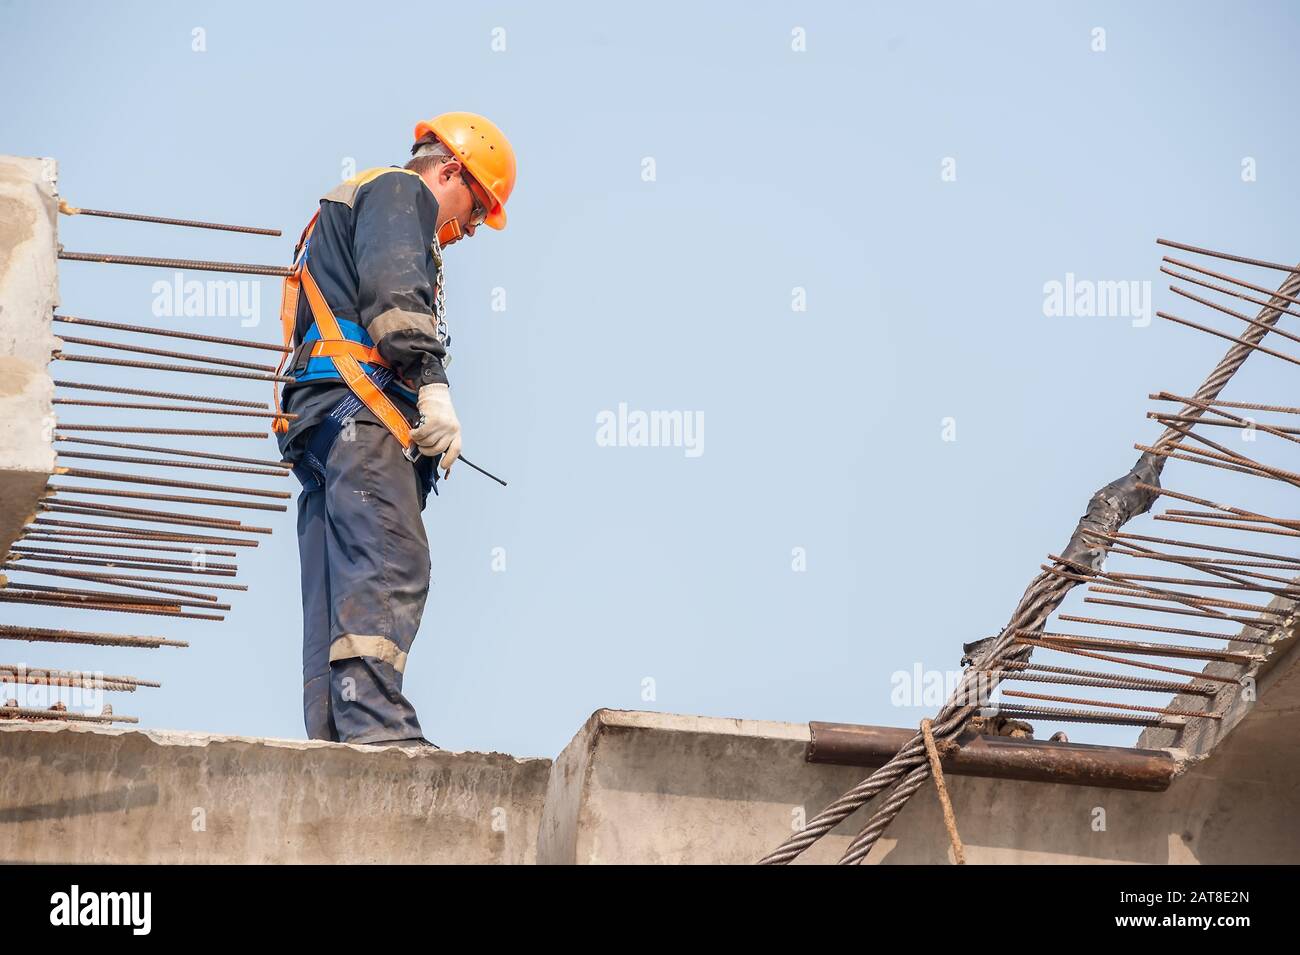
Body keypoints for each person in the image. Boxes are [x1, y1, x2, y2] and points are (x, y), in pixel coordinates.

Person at [272, 112, 517, 747]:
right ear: (449, 170)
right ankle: (379, 732)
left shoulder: (346, 204)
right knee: (392, 557)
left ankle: (334, 738)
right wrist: (431, 384)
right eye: (471, 213)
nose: (463, 233)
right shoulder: (399, 191)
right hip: (360, 417)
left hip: (324, 425)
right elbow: (395, 293)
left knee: (339, 582)